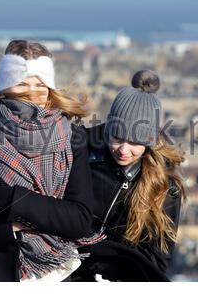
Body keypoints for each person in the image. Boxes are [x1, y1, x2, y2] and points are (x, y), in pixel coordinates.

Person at [0, 40, 98, 282]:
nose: (32, 93)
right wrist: (9, 229)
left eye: (40, 84)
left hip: (57, 277)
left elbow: (80, 220)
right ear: (5, 87)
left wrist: (16, 201)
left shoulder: (71, 138)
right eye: (22, 83)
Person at [72, 70, 186, 281]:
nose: (124, 150)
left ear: (149, 142)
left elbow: (156, 260)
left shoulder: (165, 188)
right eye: (117, 138)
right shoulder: (80, 156)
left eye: (134, 142)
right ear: (107, 132)